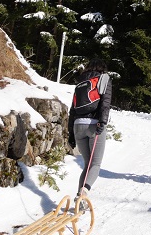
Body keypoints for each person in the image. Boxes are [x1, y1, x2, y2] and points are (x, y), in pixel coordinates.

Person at [67, 58, 112, 207]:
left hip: (77, 126)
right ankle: (83, 193)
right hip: (94, 125)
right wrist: (102, 122)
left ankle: (80, 201)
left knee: (87, 164)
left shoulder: (80, 83)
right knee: (96, 164)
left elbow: (72, 110)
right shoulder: (104, 78)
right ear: (102, 68)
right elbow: (105, 104)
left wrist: (71, 134)